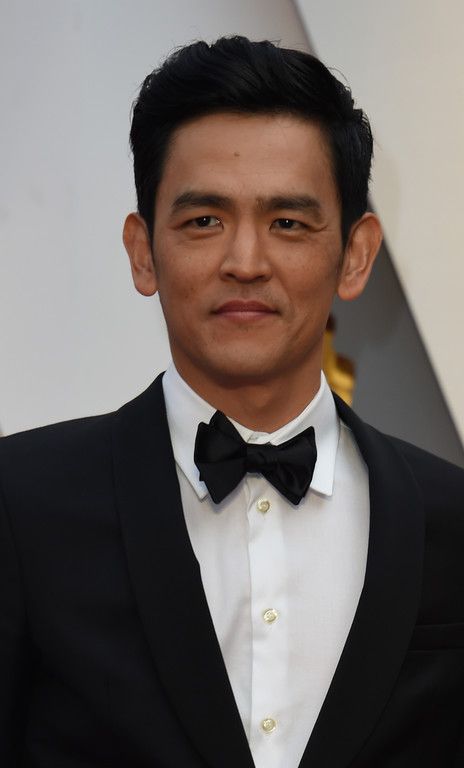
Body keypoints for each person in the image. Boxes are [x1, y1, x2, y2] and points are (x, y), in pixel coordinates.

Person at [0, 36, 463, 768]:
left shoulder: (452, 521)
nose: (245, 262)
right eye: (204, 221)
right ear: (143, 252)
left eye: (288, 223)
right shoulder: (20, 504)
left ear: (355, 255)